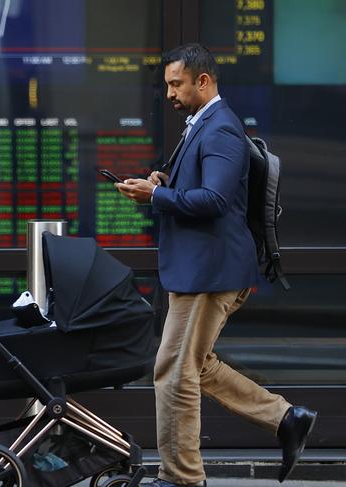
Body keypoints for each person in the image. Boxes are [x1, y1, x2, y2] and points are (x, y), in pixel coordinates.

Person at [116, 43, 317, 487]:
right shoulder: (201, 125)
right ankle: (287, 418)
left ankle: (182, 477)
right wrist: (163, 181)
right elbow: (201, 188)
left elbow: (215, 200)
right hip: (200, 268)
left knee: (174, 371)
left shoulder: (221, 128)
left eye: (176, 84)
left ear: (202, 81)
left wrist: (156, 197)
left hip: (210, 271)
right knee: (196, 364)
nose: (169, 93)